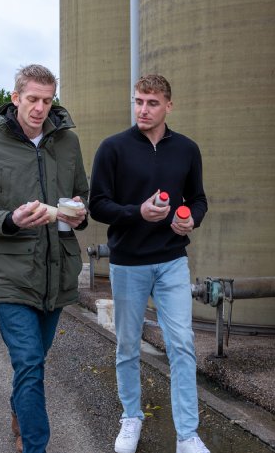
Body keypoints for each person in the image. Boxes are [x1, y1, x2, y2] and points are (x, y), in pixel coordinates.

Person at [0, 64, 89, 453]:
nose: (39, 108)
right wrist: (12, 220)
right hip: (12, 274)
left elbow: (82, 198)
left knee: (32, 365)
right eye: (32, 99)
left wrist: (80, 213)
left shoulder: (67, 142)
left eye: (47, 100)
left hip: (57, 273)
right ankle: (35, 446)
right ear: (16, 98)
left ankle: (20, 409)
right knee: (31, 364)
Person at [88, 74, 210, 453]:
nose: (143, 109)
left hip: (172, 260)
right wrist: (137, 212)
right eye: (138, 101)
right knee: (127, 345)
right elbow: (98, 206)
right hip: (128, 263)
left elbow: (199, 199)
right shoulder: (113, 148)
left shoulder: (187, 149)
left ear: (168, 106)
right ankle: (131, 417)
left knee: (182, 346)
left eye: (151, 103)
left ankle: (187, 435)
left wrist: (191, 219)